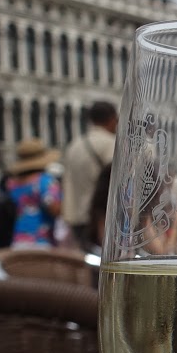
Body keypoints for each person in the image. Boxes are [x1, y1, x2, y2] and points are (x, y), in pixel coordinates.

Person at [62, 101, 118, 250]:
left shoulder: (74, 145)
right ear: (112, 119)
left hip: (77, 219)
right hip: (101, 220)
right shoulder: (111, 144)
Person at [0, 139, 63, 248]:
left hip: (17, 241)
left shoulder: (11, 184)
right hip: (42, 241)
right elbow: (55, 209)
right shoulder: (45, 181)